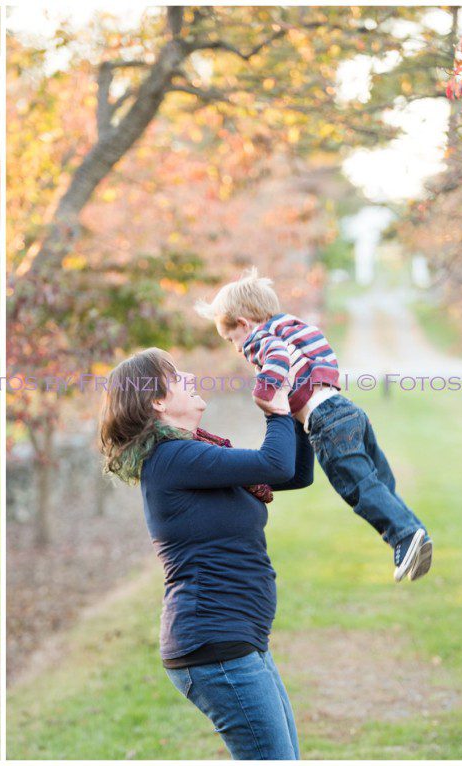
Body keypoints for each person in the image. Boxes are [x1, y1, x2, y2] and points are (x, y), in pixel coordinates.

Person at [100, 347, 313, 759]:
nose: (191, 377)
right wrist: (275, 412)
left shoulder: (190, 456)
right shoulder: (174, 458)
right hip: (216, 646)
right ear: (157, 401)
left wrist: (299, 406)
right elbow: (275, 462)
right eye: (177, 377)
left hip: (239, 640)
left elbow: (294, 472)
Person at [194, 267, 432, 582]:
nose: (236, 348)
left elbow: (275, 355)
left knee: (357, 487)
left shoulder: (260, 339)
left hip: (326, 422)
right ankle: (413, 532)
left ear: (243, 324)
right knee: (378, 481)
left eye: (231, 339)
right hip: (347, 411)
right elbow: (322, 355)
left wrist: (265, 391)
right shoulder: (294, 327)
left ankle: (403, 536)